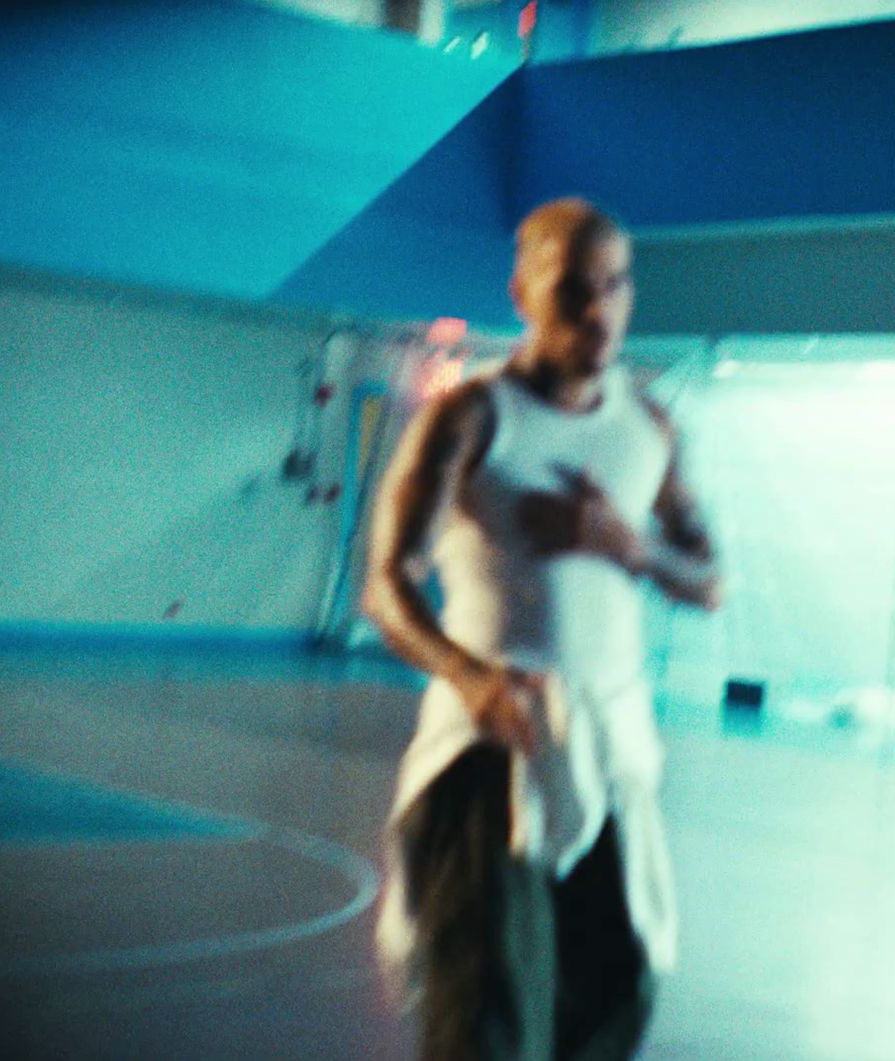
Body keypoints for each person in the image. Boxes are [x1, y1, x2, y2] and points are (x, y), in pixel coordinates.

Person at [362, 197, 721, 1060]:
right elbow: (386, 584)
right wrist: (472, 676)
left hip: (609, 751)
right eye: (572, 291)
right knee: (488, 1015)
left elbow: (707, 581)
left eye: (615, 286)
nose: (599, 311)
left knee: (611, 1001)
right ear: (523, 293)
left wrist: (628, 548)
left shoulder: (650, 427)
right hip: (490, 753)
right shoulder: (476, 417)